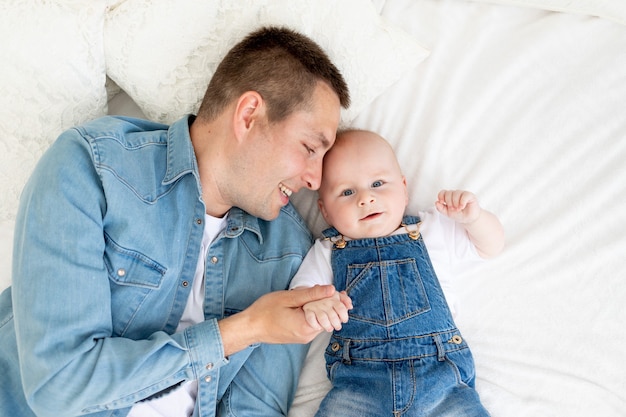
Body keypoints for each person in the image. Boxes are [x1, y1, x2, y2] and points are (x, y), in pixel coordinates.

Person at [0, 26, 351, 417]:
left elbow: (255, 408)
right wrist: (243, 329)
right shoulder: (95, 168)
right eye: (309, 148)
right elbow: (57, 387)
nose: (315, 180)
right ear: (249, 114)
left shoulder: (285, 249)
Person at [289, 129, 505, 416]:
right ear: (325, 210)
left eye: (377, 183)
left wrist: (474, 218)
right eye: (347, 192)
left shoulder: (432, 229)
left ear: (404, 188)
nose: (365, 198)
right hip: (359, 386)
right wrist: (316, 304)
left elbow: (490, 247)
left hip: (438, 377)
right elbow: (297, 297)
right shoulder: (328, 250)